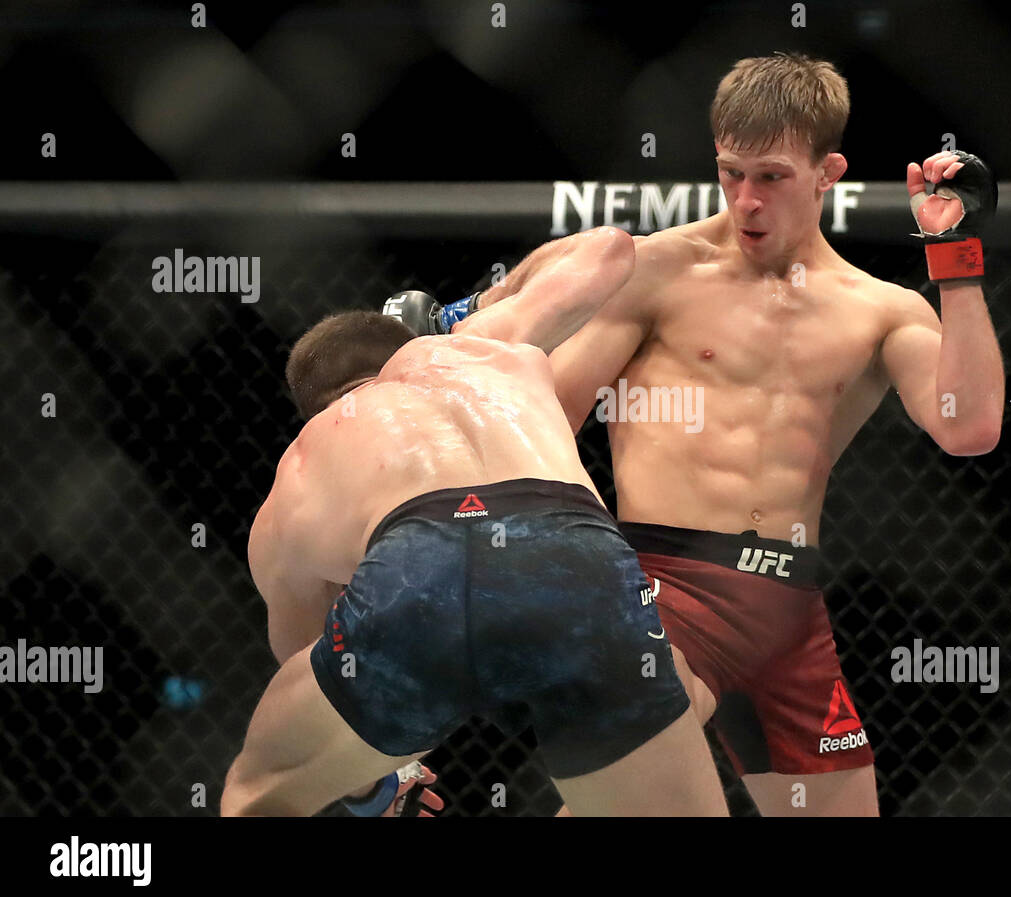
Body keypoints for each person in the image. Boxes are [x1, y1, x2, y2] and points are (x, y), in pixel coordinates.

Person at [532, 53, 1005, 816]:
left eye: (773, 177)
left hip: (787, 608)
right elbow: (547, 415)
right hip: (665, 583)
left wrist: (956, 261)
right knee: (638, 788)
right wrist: (588, 563)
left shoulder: (878, 309)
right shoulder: (656, 270)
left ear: (829, 172)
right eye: (731, 173)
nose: (747, 200)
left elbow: (971, 427)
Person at [220, 226, 729, 817]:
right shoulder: (479, 345)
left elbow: (309, 652)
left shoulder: (302, 464)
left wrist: (373, 783)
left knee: (256, 795)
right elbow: (611, 251)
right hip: (578, 552)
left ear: (314, 407)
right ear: (406, 347)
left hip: (423, 562)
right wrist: (468, 310)